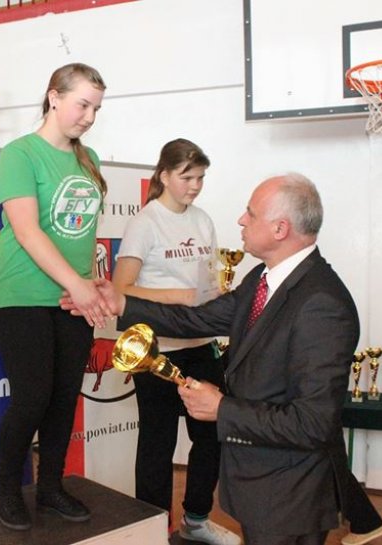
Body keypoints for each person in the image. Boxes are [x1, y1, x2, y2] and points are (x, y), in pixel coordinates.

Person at [76, 173, 364, 544]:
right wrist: (121, 303)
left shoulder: (321, 304)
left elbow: (312, 423)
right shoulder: (261, 279)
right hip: (261, 486)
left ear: (280, 229)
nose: (241, 220)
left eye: (251, 213)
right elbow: (195, 320)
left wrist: (221, 408)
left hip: (291, 495)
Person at [0, 62, 111, 531]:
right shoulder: (20, 154)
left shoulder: (89, 158)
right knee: (32, 397)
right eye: (82, 105)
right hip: (22, 295)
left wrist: (88, 285)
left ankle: (51, 487)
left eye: (96, 108)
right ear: (54, 97)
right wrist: (76, 284)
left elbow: (83, 233)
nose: (89, 117)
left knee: (63, 398)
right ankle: (7, 489)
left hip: (72, 298)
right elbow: (28, 231)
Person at [111, 139, 239, 545]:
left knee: (211, 437)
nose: (195, 185)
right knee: (157, 444)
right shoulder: (145, 222)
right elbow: (120, 288)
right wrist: (178, 296)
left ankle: (196, 521)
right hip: (158, 352)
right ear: (164, 176)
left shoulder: (203, 220)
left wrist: (215, 294)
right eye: (187, 177)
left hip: (201, 345)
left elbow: (206, 280)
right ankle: (152, 530)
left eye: (200, 177)